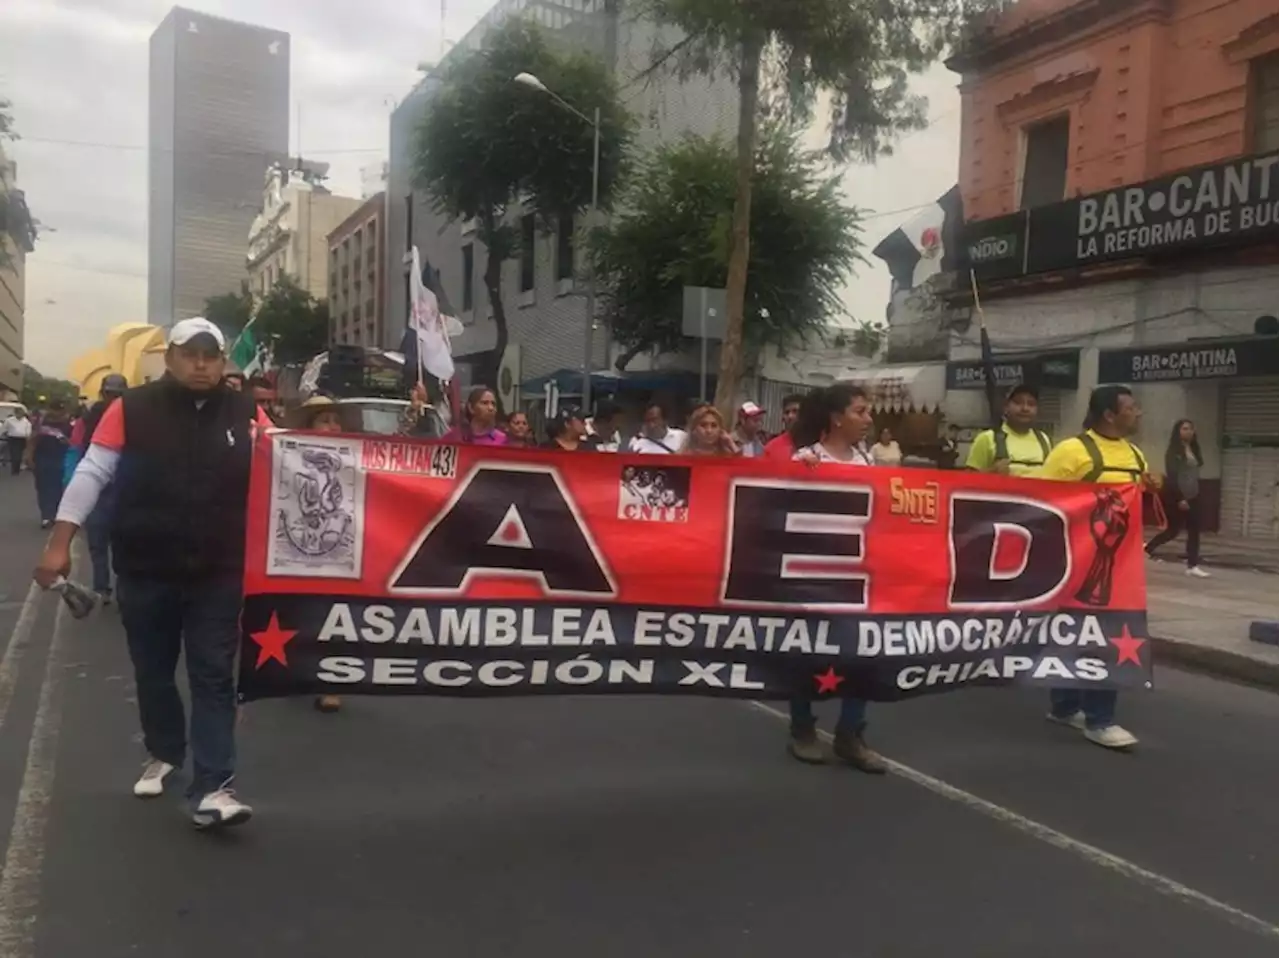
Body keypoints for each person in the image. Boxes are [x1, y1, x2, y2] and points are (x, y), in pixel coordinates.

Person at [34, 317, 271, 829]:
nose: (202, 363)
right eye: (191, 354)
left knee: (212, 674)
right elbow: (93, 472)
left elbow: (289, 470)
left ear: (223, 360)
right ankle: (164, 750)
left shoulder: (248, 412)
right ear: (170, 359)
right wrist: (60, 543)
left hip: (219, 568)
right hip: (146, 565)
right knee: (154, 671)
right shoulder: (131, 409)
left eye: (211, 355)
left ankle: (214, 786)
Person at [1037, 384, 1151, 751]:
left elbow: (1139, 499)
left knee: (1095, 634)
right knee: (1081, 633)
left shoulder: (1135, 454)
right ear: (1109, 414)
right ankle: (1098, 720)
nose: (1138, 413)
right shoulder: (1071, 452)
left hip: (1122, 566)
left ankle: (1068, 707)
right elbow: (1039, 501)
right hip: (1075, 562)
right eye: (1132, 408)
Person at [787, 384, 884, 773]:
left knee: (861, 656)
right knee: (805, 654)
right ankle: (802, 729)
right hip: (810, 575)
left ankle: (850, 733)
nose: (868, 419)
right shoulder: (805, 459)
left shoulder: (866, 462)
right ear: (836, 418)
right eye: (861, 411)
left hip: (855, 577)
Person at [288, 395, 347, 712]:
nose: (333, 426)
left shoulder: (353, 455)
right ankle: (301, 669)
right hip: (300, 545)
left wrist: (413, 413)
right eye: (325, 420)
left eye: (336, 419)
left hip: (341, 548)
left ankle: (330, 683)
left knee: (335, 613)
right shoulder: (288, 456)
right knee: (302, 613)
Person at [69, 374, 130, 603]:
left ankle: (119, 589)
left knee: (123, 545)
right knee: (99, 544)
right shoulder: (90, 416)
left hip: (125, 490)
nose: (112, 399)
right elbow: (77, 449)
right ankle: (103, 588)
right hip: (99, 488)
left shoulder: (134, 416)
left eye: (117, 395)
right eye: (109, 394)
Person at [1146, 418, 1208, 578]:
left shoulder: (1193, 449)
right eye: (1184, 429)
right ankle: (1147, 549)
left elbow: (1197, 467)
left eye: (1190, 429)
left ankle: (1192, 565)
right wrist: (1180, 498)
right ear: (1178, 432)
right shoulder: (1173, 451)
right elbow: (1173, 477)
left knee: (1194, 530)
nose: (1188, 432)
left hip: (1194, 494)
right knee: (1173, 530)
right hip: (1177, 496)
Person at [965, 384, 1052, 476]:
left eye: (1031, 404)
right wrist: (992, 471)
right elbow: (966, 480)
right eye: (1018, 402)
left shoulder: (1044, 440)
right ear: (1005, 407)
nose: (1025, 408)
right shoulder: (987, 438)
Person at [25, 401, 73, 527]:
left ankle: (56, 514)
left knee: (59, 488)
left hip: (61, 458)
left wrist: (66, 441)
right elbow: (32, 441)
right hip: (43, 459)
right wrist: (29, 457)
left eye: (59, 411)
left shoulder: (68, 425)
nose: (56, 413)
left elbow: (74, 443)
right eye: (54, 409)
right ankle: (46, 516)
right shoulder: (41, 424)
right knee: (43, 487)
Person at [442, 386, 507, 445]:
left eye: (493, 404)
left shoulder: (503, 440)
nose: (491, 408)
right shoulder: (454, 437)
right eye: (484, 403)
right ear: (471, 408)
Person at [763, 393, 805, 462]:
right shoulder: (771, 448)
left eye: (795, 411)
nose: (790, 416)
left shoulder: (816, 446)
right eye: (787, 412)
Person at [3, 407, 31, 476]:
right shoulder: (9, 420)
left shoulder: (26, 422)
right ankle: (14, 469)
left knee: (19, 454)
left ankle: (17, 468)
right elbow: (4, 428)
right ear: (15, 413)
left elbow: (28, 431)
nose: (20, 415)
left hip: (22, 439)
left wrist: (28, 439)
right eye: (18, 413)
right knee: (14, 453)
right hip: (12, 438)